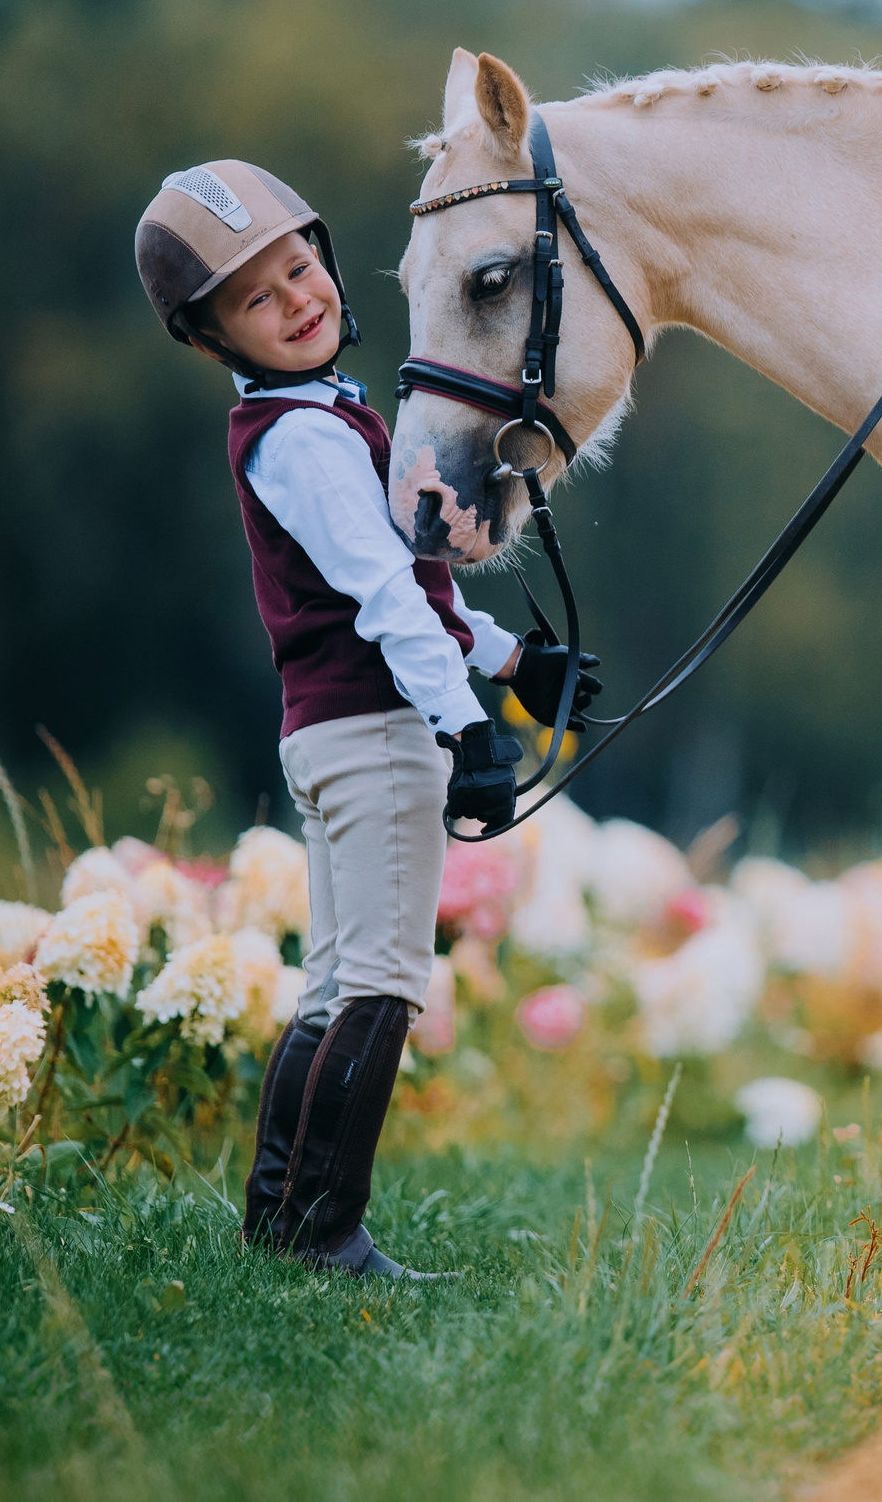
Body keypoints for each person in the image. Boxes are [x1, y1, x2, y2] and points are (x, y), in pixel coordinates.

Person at [133, 162, 599, 1276]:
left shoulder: (317, 419)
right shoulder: (304, 441)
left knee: (334, 984)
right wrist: (467, 728)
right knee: (382, 985)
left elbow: (413, 589)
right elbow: (386, 603)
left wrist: (513, 661)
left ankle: (279, 1224)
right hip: (377, 734)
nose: (298, 300)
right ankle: (325, 1231)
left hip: (339, 729)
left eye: (300, 268)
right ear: (214, 338)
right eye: (259, 298)